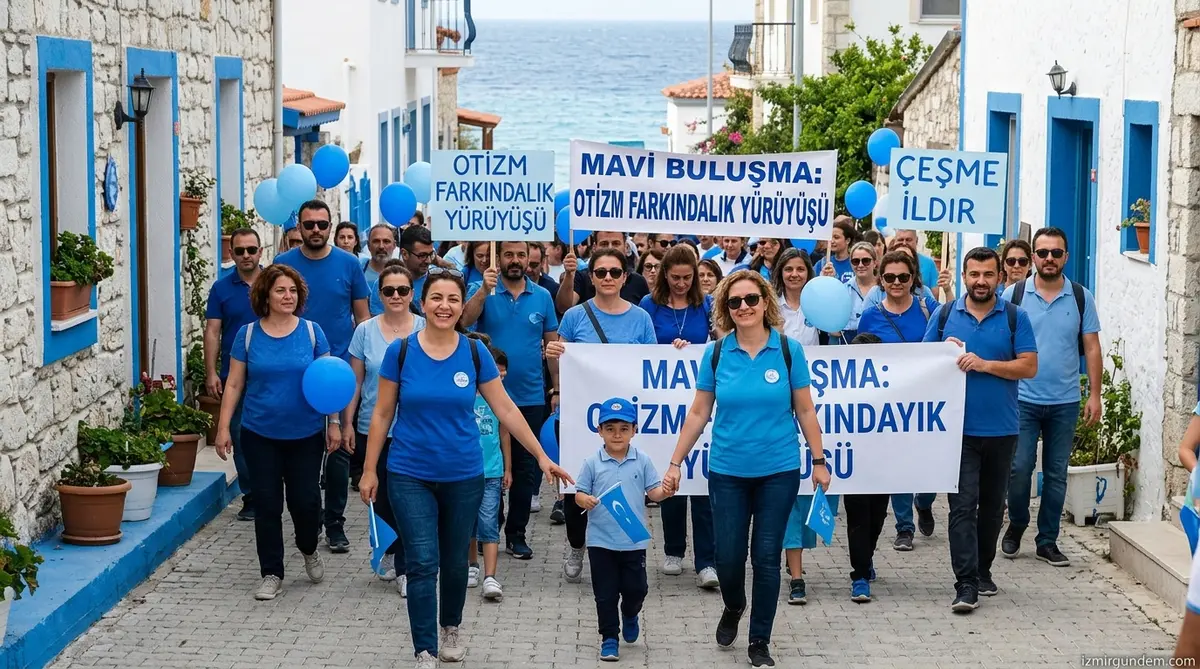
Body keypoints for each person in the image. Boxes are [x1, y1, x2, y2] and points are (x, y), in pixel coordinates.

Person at [357, 267, 572, 667]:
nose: (445, 306)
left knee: (456, 561)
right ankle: (424, 648)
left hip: (464, 475)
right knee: (422, 562)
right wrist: (370, 470)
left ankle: (450, 627)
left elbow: (505, 407)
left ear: (462, 305)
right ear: (423, 302)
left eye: (453, 299)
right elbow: (383, 412)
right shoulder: (400, 351)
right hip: (408, 472)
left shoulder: (475, 353)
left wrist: (543, 457)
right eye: (437, 298)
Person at [663, 269, 831, 668]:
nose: (744, 307)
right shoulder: (716, 352)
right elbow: (699, 411)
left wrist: (819, 460)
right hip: (727, 471)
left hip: (779, 469)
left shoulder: (789, 351)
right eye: (734, 302)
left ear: (765, 303)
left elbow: (805, 409)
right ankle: (734, 605)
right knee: (729, 556)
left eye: (751, 300)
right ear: (725, 308)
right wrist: (675, 461)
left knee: (767, 555)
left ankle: (760, 641)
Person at [923, 246, 1038, 612]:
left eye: (988, 274)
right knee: (961, 506)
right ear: (964, 276)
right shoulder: (944, 316)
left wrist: (986, 365)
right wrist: (943, 352)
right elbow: (921, 365)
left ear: (999, 277)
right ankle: (966, 583)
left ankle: (984, 569)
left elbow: (1028, 367)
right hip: (956, 431)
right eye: (974, 274)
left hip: (1002, 429)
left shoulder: (1016, 317)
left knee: (991, 508)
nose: (981, 281)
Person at [213, 264, 333, 600]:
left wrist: (335, 423)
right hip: (258, 432)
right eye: (281, 290)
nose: (288, 296)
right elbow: (235, 383)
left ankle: (308, 547)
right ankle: (271, 572)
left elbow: (328, 381)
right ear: (265, 294)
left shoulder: (312, 332)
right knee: (267, 504)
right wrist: (223, 427)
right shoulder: (247, 335)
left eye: (293, 291)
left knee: (305, 502)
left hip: (306, 434)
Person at [545, 248, 657, 584]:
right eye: (600, 272)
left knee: (624, 481)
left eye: (614, 272)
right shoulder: (575, 316)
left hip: (625, 418)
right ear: (591, 277)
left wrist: (677, 350)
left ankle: (623, 550)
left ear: (625, 277)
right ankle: (577, 544)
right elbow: (561, 363)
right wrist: (554, 364)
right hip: (581, 417)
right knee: (578, 483)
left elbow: (653, 363)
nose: (607, 278)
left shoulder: (641, 318)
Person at [274, 199, 370, 554]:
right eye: (309, 224)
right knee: (306, 452)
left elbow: (362, 319)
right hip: (295, 375)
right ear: (299, 227)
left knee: (341, 451)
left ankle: (335, 525)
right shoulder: (283, 265)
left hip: (340, 372)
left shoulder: (349, 264)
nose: (316, 230)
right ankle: (310, 520)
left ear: (331, 226)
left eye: (322, 224)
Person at [1001, 227, 1101, 567]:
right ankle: (1016, 524)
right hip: (1022, 399)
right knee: (1019, 468)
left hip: (1065, 400)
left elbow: (1092, 347)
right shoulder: (1013, 295)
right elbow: (1000, 342)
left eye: (1055, 253)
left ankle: (1047, 541)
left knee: (1056, 473)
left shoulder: (1080, 297)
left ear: (1065, 257)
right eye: (1042, 253)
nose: (1049, 259)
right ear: (1033, 258)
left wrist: (1096, 395)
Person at [461, 240, 560, 560]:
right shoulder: (482, 287)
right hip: (486, 396)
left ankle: (516, 534)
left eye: (521, 255)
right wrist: (481, 292)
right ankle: (490, 524)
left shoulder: (542, 297)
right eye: (509, 255)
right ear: (498, 257)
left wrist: (556, 387)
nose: (515, 260)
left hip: (530, 396)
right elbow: (463, 323)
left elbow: (551, 347)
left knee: (524, 468)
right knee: (490, 465)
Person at [637, 246, 718, 590]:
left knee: (701, 481)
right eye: (676, 278)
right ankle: (673, 550)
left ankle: (707, 560)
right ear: (663, 275)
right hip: (662, 402)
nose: (682, 283)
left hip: (699, 399)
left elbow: (720, 341)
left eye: (688, 278)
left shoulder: (707, 306)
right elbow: (638, 348)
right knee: (668, 476)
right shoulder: (648, 306)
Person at [346, 262, 426, 597]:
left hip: (415, 429)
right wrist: (344, 422)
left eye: (402, 290)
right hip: (373, 426)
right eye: (389, 291)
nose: (396, 296)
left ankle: (407, 566)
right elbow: (356, 381)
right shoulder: (365, 330)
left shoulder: (425, 326)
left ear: (412, 293)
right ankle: (391, 551)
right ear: (379, 295)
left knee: (408, 498)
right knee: (379, 497)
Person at [575, 397, 673, 662]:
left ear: (634, 430)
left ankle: (630, 613)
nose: (617, 434)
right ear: (599, 431)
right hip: (600, 541)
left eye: (623, 428)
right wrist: (584, 499)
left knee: (636, 590)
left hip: (633, 541)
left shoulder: (642, 461)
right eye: (610, 428)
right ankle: (609, 638)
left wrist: (667, 490)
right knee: (604, 595)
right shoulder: (592, 462)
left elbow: (653, 492)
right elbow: (579, 493)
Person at [856, 251, 940, 552]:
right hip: (890, 405)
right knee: (900, 465)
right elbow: (860, 358)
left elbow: (948, 338)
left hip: (927, 401)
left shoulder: (929, 307)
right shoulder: (871, 315)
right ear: (881, 279)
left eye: (903, 277)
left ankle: (925, 502)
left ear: (913, 278)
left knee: (928, 466)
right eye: (889, 277)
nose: (896, 282)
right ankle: (904, 527)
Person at [204, 227, 262, 521]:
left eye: (251, 249)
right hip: (235, 376)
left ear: (260, 252)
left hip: (272, 375)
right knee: (239, 433)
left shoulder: (275, 283)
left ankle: (273, 488)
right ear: (231, 254)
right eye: (239, 251)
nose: (246, 255)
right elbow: (213, 331)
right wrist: (211, 371)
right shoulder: (221, 289)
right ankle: (252, 495)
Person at [466, 337, 511, 602]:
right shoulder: (464, 396)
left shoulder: (499, 398)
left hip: (493, 471)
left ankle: (490, 576)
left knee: (489, 522)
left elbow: (504, 434)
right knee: (468, 522)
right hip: (466, 471)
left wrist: (508, 468)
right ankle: (471, 565)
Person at [556, 231, 651, 314]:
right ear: (594, 247)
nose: (610, 248)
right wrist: (569, 275)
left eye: (616, 243)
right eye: (604, 244)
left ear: (626, 247)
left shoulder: (638, 282)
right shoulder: (581, 277)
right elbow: (563, 307)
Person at [772, 248, 821, 346]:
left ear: (808, 272)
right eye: (788, 269)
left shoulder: (818, 303)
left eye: (800, 269)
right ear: (780, 272)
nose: (794, 274)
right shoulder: (770, 306)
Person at [843, 241, 879, 341]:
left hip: (879, 342)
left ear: (875, 263)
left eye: (866, 261)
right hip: (849, 342)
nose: (860, 265)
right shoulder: (843, 290)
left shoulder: (884, 289)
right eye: (855, 261)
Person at [361, 223, 400, 316]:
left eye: (386, 241)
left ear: (394, 245)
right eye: (376, 241)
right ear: (368, 245)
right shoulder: (359, 270)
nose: (381, 246)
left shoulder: (402, 273)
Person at [401, 225, 436, 315]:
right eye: (422, 255)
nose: (428, 261)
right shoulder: (385, 283)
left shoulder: (438, 279)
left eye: (431, 254)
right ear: (404, 254)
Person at [815, 217, 860, 283]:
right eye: (830, 237)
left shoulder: (857, 263)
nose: (832, 241)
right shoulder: (823, 263)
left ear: (847, 240)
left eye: (836, 237)